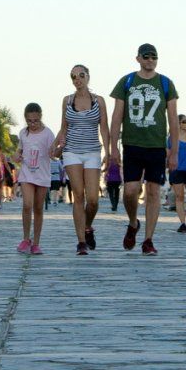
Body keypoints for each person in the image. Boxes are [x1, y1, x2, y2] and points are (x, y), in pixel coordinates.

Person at [109, 43, 179, 256]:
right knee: (130, 191)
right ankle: (133, 222)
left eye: (153, 57)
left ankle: (148, 239)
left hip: (156, 146)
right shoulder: (127, 82)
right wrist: (113, 148)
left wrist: (174, 151)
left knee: (153, 191)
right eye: (146, 57)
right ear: (138, 58)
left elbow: (173, 120)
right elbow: (116, 117)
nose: (150, 60)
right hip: (132, 144)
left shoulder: (166, 84)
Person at [54, 64, 111, 254]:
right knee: (78, 195)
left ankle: (87, 227)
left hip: (93, 151)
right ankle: (81, 242)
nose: (77, 79)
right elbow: (64, 127)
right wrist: (55, 146)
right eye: (73, 77)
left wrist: (109, 153)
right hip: (71, 151)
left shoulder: (99, 101)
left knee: (93, 199)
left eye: (80, 75)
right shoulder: (67, 100)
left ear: (88, 76)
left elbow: (104, 128)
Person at [14, 103, 55, 254]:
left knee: (38, 208)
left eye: (35, 121)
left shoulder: (48, 133)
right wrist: (16, 155)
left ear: (40, 117)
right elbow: (18, 151)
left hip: (42, 174)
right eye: (29, 121)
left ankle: (36, 242)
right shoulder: (23, 133)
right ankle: (26, 238)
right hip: (27, 174)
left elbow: (54, 153)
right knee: (27, 205)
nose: (32, 124)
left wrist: (58, 149)